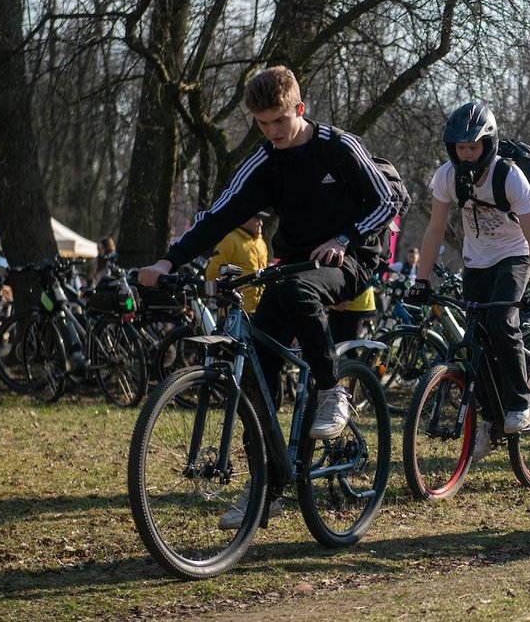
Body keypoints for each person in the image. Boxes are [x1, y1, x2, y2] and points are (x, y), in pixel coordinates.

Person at [138, 66, 398, 526]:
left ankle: (331, 390)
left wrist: (343, 238)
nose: (271, 132)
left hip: (352, 258)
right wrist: (167, 262)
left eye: (278, 120)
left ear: (299, 108)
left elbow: (389, 202)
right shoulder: (265, 160)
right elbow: (219, 214)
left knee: (300, 291)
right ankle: (268, 489)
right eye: (261, 123)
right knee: (254, 374)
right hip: (292, 265)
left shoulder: (339, 148)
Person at [406, 101, 530, 459]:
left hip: (515, 256)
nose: (466, 156)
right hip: (476, 262)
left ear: (489, 145)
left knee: (501, 320)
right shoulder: (446, 177)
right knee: (474, 341)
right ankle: (492, 420)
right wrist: (421, 280)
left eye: (473, 148)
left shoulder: (509, 177)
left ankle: (520, 404)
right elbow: (435, 230)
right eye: (460, 149)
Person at [205, 212, 270, 313]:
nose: (261, 223)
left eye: (261, 220)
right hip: (233, 310)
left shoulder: (261, 244)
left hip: (258, 311)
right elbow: (212, 273)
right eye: (257, 219)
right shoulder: (229, 240)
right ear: (245, 219)